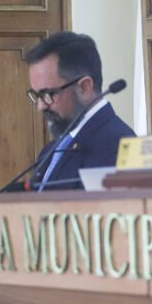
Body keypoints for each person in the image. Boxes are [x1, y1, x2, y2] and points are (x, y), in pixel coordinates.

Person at [25, 32, 135, 190]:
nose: (41, 106)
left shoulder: (119, 147)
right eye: (36, 95)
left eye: (48, 94)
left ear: (84, 87)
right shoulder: (51, 150)